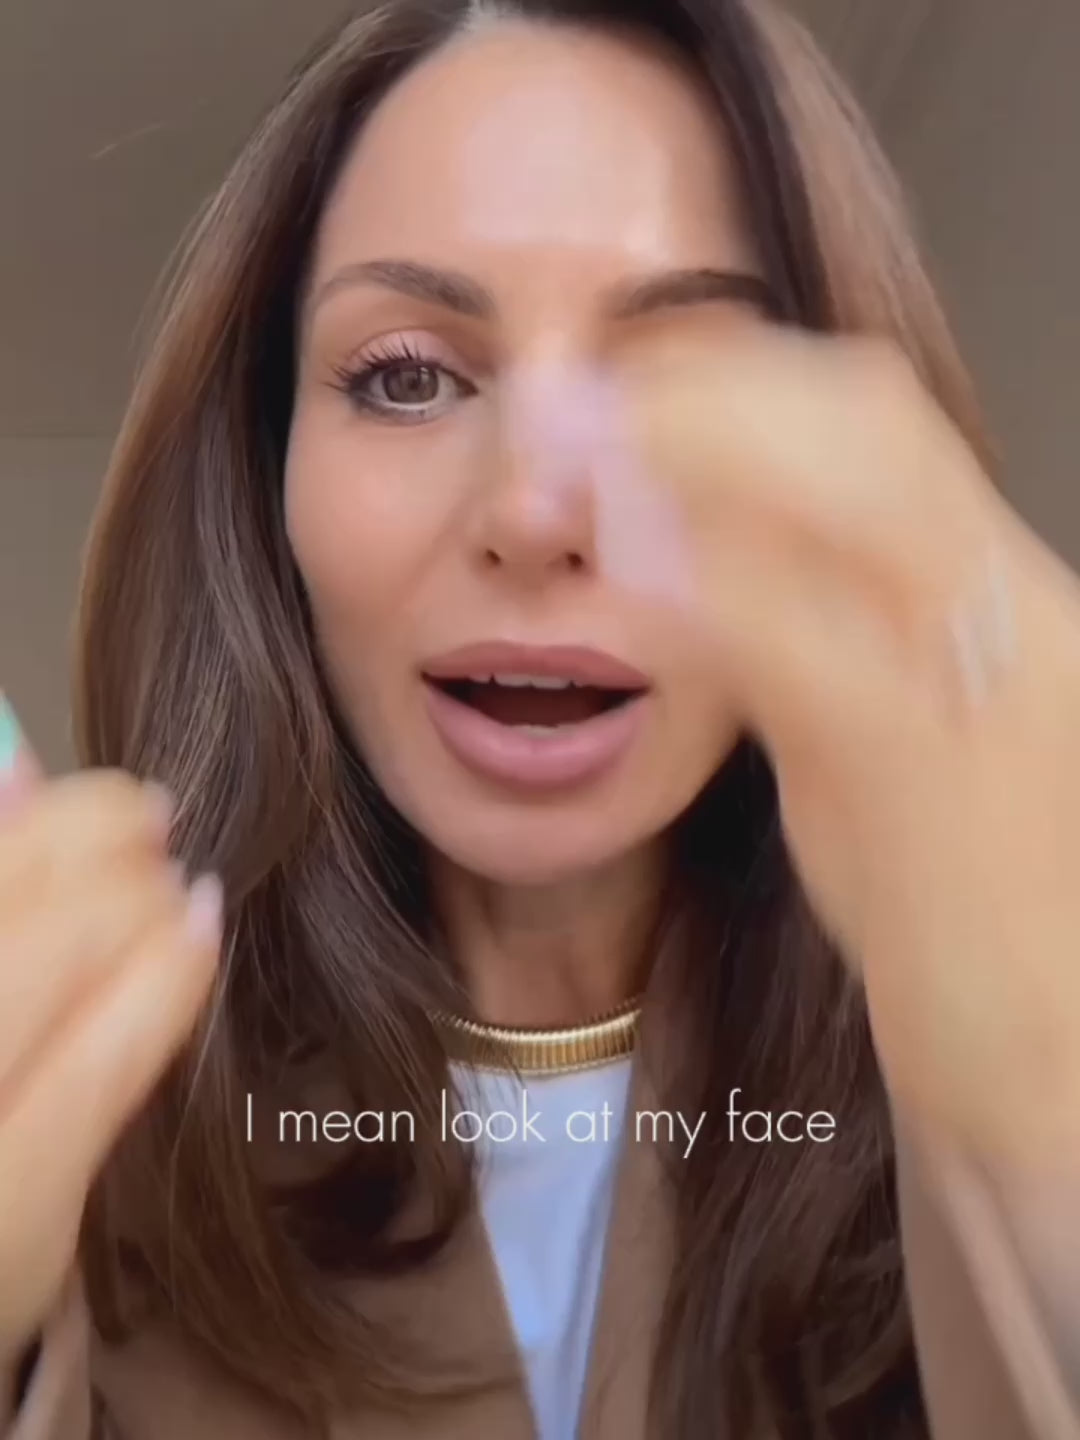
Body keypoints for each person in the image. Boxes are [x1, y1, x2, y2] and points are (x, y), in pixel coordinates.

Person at [4, 0, 1080, 1435]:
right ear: (269, 475)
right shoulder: (102, 1167)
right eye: (406, 378)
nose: (530, 511)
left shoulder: (1005, 1086)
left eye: (678, 378)